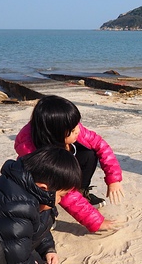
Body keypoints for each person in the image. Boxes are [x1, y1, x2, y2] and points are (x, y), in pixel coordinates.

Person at [14, 95, 123, 233]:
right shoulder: (34, 152)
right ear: (55, 134)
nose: (78, 130)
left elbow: (101, 145)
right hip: (39, 179)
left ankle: (82, 191)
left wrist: (113, 179)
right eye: (72, 130)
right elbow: (68, 195)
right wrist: (96, 221)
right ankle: (47, 209)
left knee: (89, 153)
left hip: (58, 155)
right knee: (41, 190)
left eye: (77, 124)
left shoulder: (68, 126)